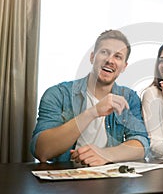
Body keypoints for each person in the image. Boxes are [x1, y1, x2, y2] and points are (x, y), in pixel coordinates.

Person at [30, 30, 149, 166]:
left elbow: (142, 143)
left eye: (118, 56)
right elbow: (42, 151)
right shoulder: (58, 94)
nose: (110, 60)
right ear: (92, 57)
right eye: (104, 52)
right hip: (66, 178)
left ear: (124, 67)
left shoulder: (130, 97)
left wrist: (105, 154)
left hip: (110, 177)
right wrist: (93, 112)